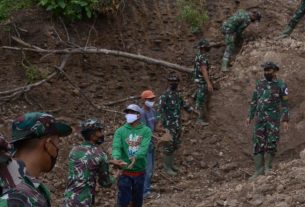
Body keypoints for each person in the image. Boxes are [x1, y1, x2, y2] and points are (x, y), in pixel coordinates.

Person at [0, 112, 72, 206]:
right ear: (48, 144)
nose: (58, 148)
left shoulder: (15, 183)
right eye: (58, 142)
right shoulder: (19, 198)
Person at [64, 119, 125, 206]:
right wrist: (117, 174)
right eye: (99, 131)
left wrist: (110, 162)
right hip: (84, 201)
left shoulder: (74, 151)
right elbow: (105, 183)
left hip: (68, 199)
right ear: (92, 136)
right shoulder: (100, 154)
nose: (102, 134)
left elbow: (87, 161)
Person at [246, 62, 289, 180]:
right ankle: (258, 171)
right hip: (259, 119)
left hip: (272, 119)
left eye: (269, 70)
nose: (266, 73)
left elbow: (285, 104)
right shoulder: (260, 83)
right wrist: (250, 116)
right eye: (265, 70)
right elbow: (254, 100)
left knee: (271, 142)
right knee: (257, 142)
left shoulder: (282, 85)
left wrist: (285, 119)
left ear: (275, 71)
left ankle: (268, 168)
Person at [157, 73, 198, 176]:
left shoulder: (177, 95)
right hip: (168, 125)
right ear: (168, 83)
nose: (173, 84)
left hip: (177, 124)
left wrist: (193, 111)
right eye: (171, 82)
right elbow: (160, 110)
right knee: (168, 146)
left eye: (175, 82)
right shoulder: (165, 96)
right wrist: (159, 124)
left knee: (175, 145)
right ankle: (167, 168)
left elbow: (184, 105)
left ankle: (171, 165)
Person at [112, 104, 151, 207]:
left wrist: (136, 156)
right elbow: (116, 146)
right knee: (123, 200)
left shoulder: (146, 131)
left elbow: (144, 147)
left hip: (139, 171)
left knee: (137, 201)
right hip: (124, 172)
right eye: (127, 113)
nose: (129, 115)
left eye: (132, 113)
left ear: (138, 115)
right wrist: (116, 158)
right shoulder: (120, 131)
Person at [140, 90, 158, 199]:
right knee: (147, 168)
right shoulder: (142, 113)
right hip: (145, 144)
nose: (152, 101)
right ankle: (144, 192)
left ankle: (147, 189)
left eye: (153, 99)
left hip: (152, 142)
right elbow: (144, 131)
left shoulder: (153, 111)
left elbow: (155, 126)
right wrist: (155, 137)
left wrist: (162, 132)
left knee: (151, 169)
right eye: (150, 99)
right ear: (144, 100)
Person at [192, 39, 214, 125]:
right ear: (204, 48)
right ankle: (198, 119)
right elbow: (204, 70)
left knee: (200, 98)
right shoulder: (203, 57)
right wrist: (208, 83)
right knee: (200, 100)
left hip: (198, 80)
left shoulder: (198, 56)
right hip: (201, 81)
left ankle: (200, 118)